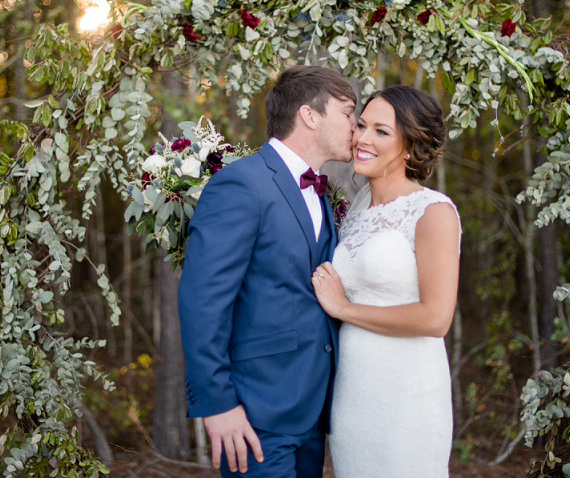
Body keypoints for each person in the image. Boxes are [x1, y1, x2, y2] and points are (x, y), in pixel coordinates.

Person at [178, 65, 357, 477]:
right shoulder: (242, 184)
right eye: (347, 113)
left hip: (311, 412)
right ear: (309, 115)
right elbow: (203, 301)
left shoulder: (321, 193)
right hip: (253, 413)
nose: (355, 126)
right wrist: (217, 404)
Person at [310, 85, 461, 477]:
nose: (362, 138)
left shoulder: (433, 211)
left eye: (381, 131)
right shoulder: (355, 214)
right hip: (352, 395)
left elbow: (436, 318)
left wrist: (344, 308)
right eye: (361, 125)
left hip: (406, 396)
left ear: (410, 147)